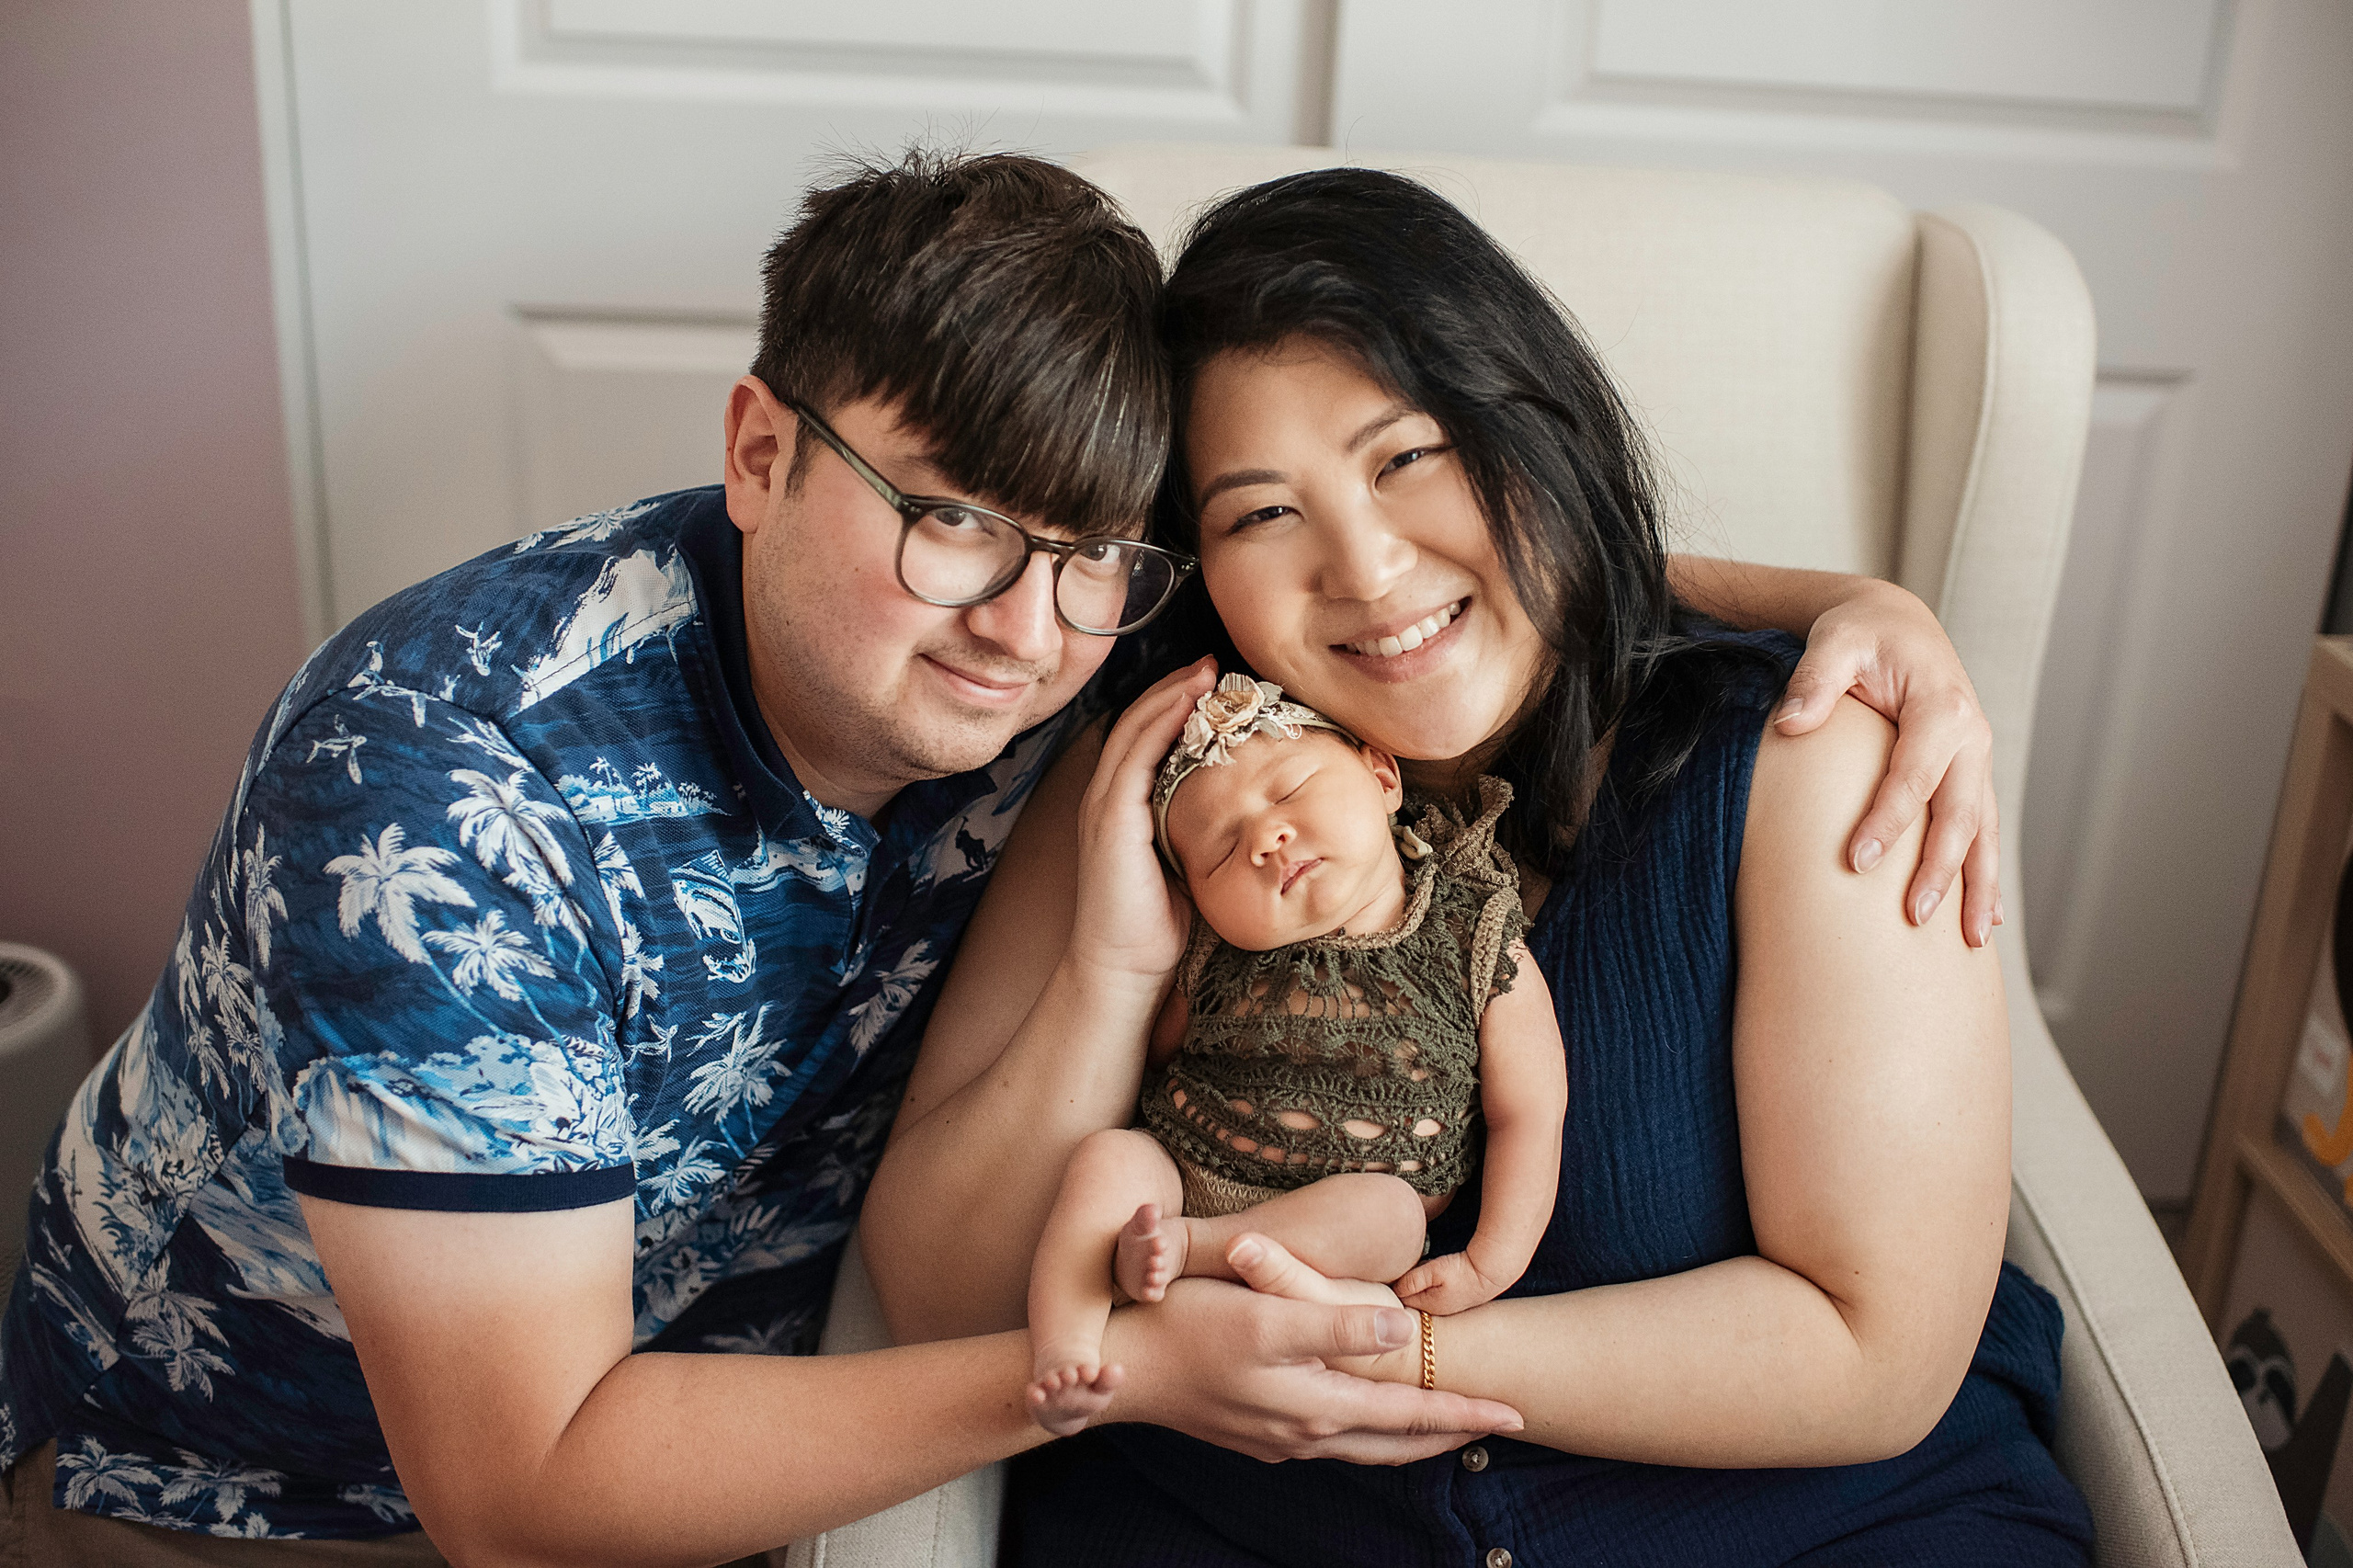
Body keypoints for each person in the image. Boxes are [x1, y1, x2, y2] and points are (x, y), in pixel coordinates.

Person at [0, 148, 2006, 1565]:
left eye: (1088, 559)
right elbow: (526, 1489)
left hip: (755, 1428)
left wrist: (1865, 604)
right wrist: (1121, 1365)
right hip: (278, 1498)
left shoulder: (1105, 615)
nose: (1021, 624)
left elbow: (1429, 576)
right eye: (945, 518)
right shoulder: (443, 794)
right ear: (761, 452)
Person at [863, 166, 2091, 1565]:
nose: (1370, 569)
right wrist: (1113, 970)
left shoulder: (1814, 756)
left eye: (1407, 457)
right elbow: (938, 1299)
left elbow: (1873, 1353)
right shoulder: (1166, 777)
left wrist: (1368, 1358)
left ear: (1526, 427)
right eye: (1261, 514)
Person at [1023, 674, 1566, 1436]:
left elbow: (1531, 1108)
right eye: (1219, 852)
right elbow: (1156, 1052)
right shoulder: (1215, 952)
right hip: (1185, 1172)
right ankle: (1065, 1355)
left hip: (1338, 1225)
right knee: (1109, 1161)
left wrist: (1490, 1261)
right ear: (1199, 898)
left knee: (1391, 1216)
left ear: (1382, 777)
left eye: (1293, 790)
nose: (1265, 840)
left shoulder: (1468, 930)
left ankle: (1191, 1252)